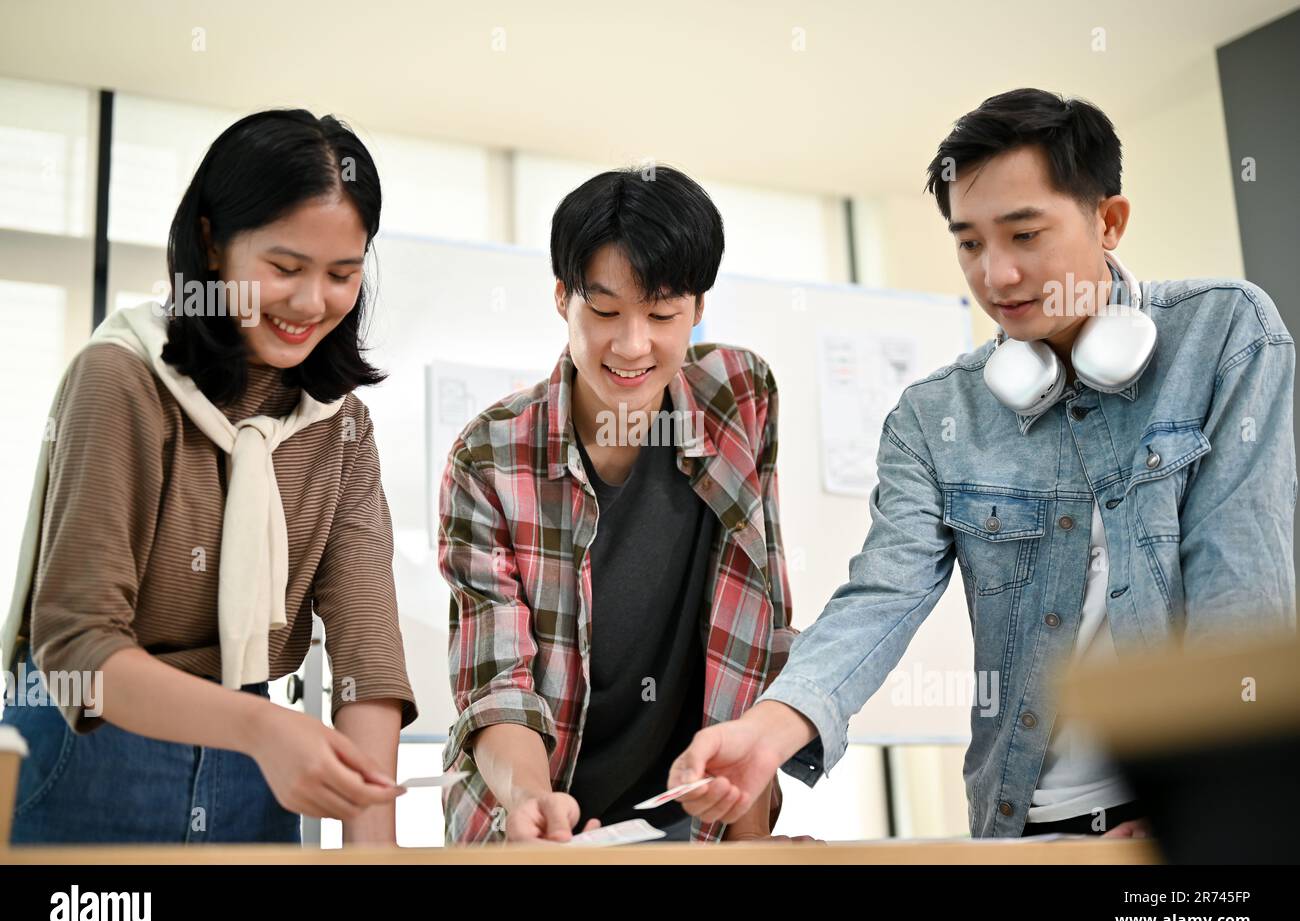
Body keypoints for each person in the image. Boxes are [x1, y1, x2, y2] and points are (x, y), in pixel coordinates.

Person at [667, 88, 1296, 839]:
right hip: (1022, 828)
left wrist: (1198, 809)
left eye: (1024, 234)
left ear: (1110, 221)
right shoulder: (934, 418)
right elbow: (881, 595)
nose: (994, 276)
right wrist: (766, 731)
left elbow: (1242, 592)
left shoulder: (1225, 334)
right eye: (969, 243)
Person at [1, 109, 417, 845]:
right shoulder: (122, 381)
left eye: (342, 274)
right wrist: (261, 727)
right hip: (91, 748)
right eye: (285, 268)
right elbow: (77, 645)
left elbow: (368, 648)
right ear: (210, 242)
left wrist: (371, 844)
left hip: (254, 766)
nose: (311, 301)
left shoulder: (339, 424)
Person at [437, 165, 793, 843]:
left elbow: (760, 619)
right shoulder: (489, 456)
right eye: (603, 312)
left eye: (662, 314)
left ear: (698, 306)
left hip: (692, 818)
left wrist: (750, 849)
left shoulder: (740, 397)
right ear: (562, 297)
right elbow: (497, 682)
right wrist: (535, 805)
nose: (632, 344)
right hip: (535, 821)